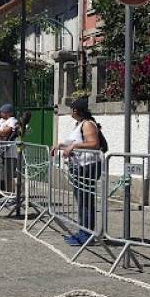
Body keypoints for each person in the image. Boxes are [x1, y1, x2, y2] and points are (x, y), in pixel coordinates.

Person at [51, 98, 104, 245]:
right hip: (79, 166)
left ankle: (86, 235)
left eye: (72, 109)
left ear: (76, 110)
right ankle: (83, 232)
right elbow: (75, 141)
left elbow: (93, 144)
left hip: (87, 166)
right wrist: (60, 145)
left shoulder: (87, 124)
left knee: (85, 201)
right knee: (81, 201)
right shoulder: (79, 124)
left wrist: (73, 148)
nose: (70, 112)